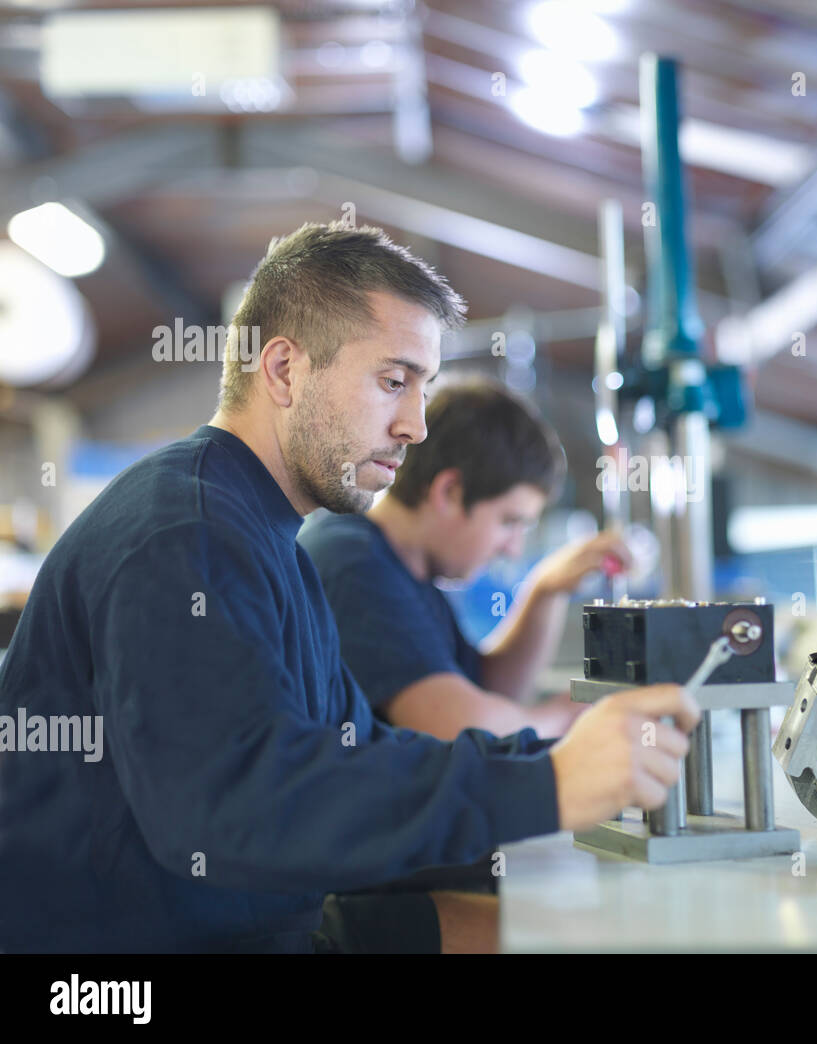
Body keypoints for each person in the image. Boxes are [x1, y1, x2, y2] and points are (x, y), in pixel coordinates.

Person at [0, 221, 698, 953]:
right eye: (393, 382)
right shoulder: (186, 535)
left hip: (248, 916)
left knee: (535, 932)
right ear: (284, 371)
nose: (417, 427)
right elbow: (237, 808)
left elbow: (357, 750)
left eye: (423, 390)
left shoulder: (273, 542)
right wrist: (545, 788)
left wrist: (551, 761)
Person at [299, 377, 628, 741]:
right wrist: (582, 709)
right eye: (509, 522)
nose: (513, 548)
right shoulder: (352, 564)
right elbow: (464, 726)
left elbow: (486, 692)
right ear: (450, 492)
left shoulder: (407, 569)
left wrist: (545, 591)